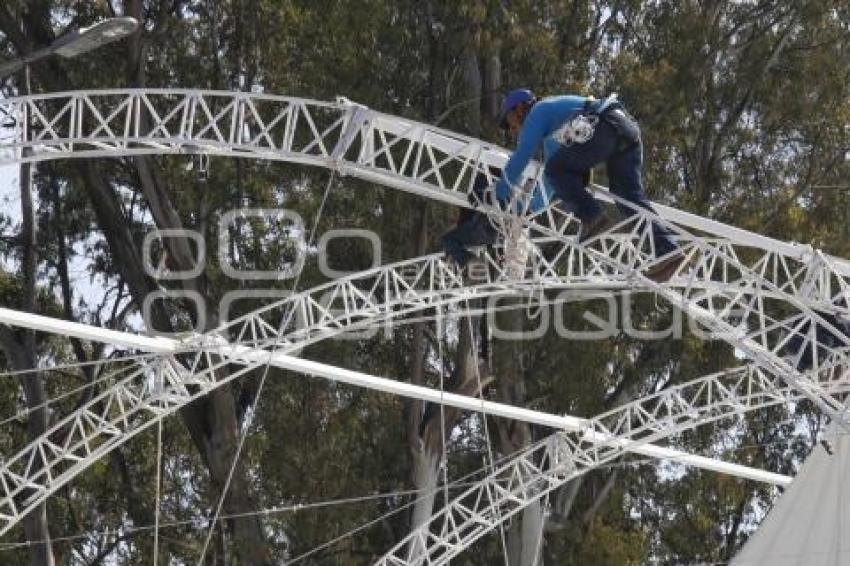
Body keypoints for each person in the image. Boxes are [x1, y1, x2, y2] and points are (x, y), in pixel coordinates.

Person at [495, 88, 685, 282]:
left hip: (606, 126)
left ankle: (592, 217)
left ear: (519, 108)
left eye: (509, 122)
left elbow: (522, 156)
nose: (512, 129)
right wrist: (526, 210)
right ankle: (669, 250)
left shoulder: (538, 111)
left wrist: (499, 192)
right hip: (626, 129)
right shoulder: (555, 131)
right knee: (629, 199)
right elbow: (549, 183)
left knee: (556, 170)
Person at [441, 170, 500, 272]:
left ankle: (468, 260)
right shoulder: (464, 216)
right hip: (485, 227)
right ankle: (469, 261)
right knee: (447, 239)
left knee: (449, 239)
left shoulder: (463, 223)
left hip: (491, 232)